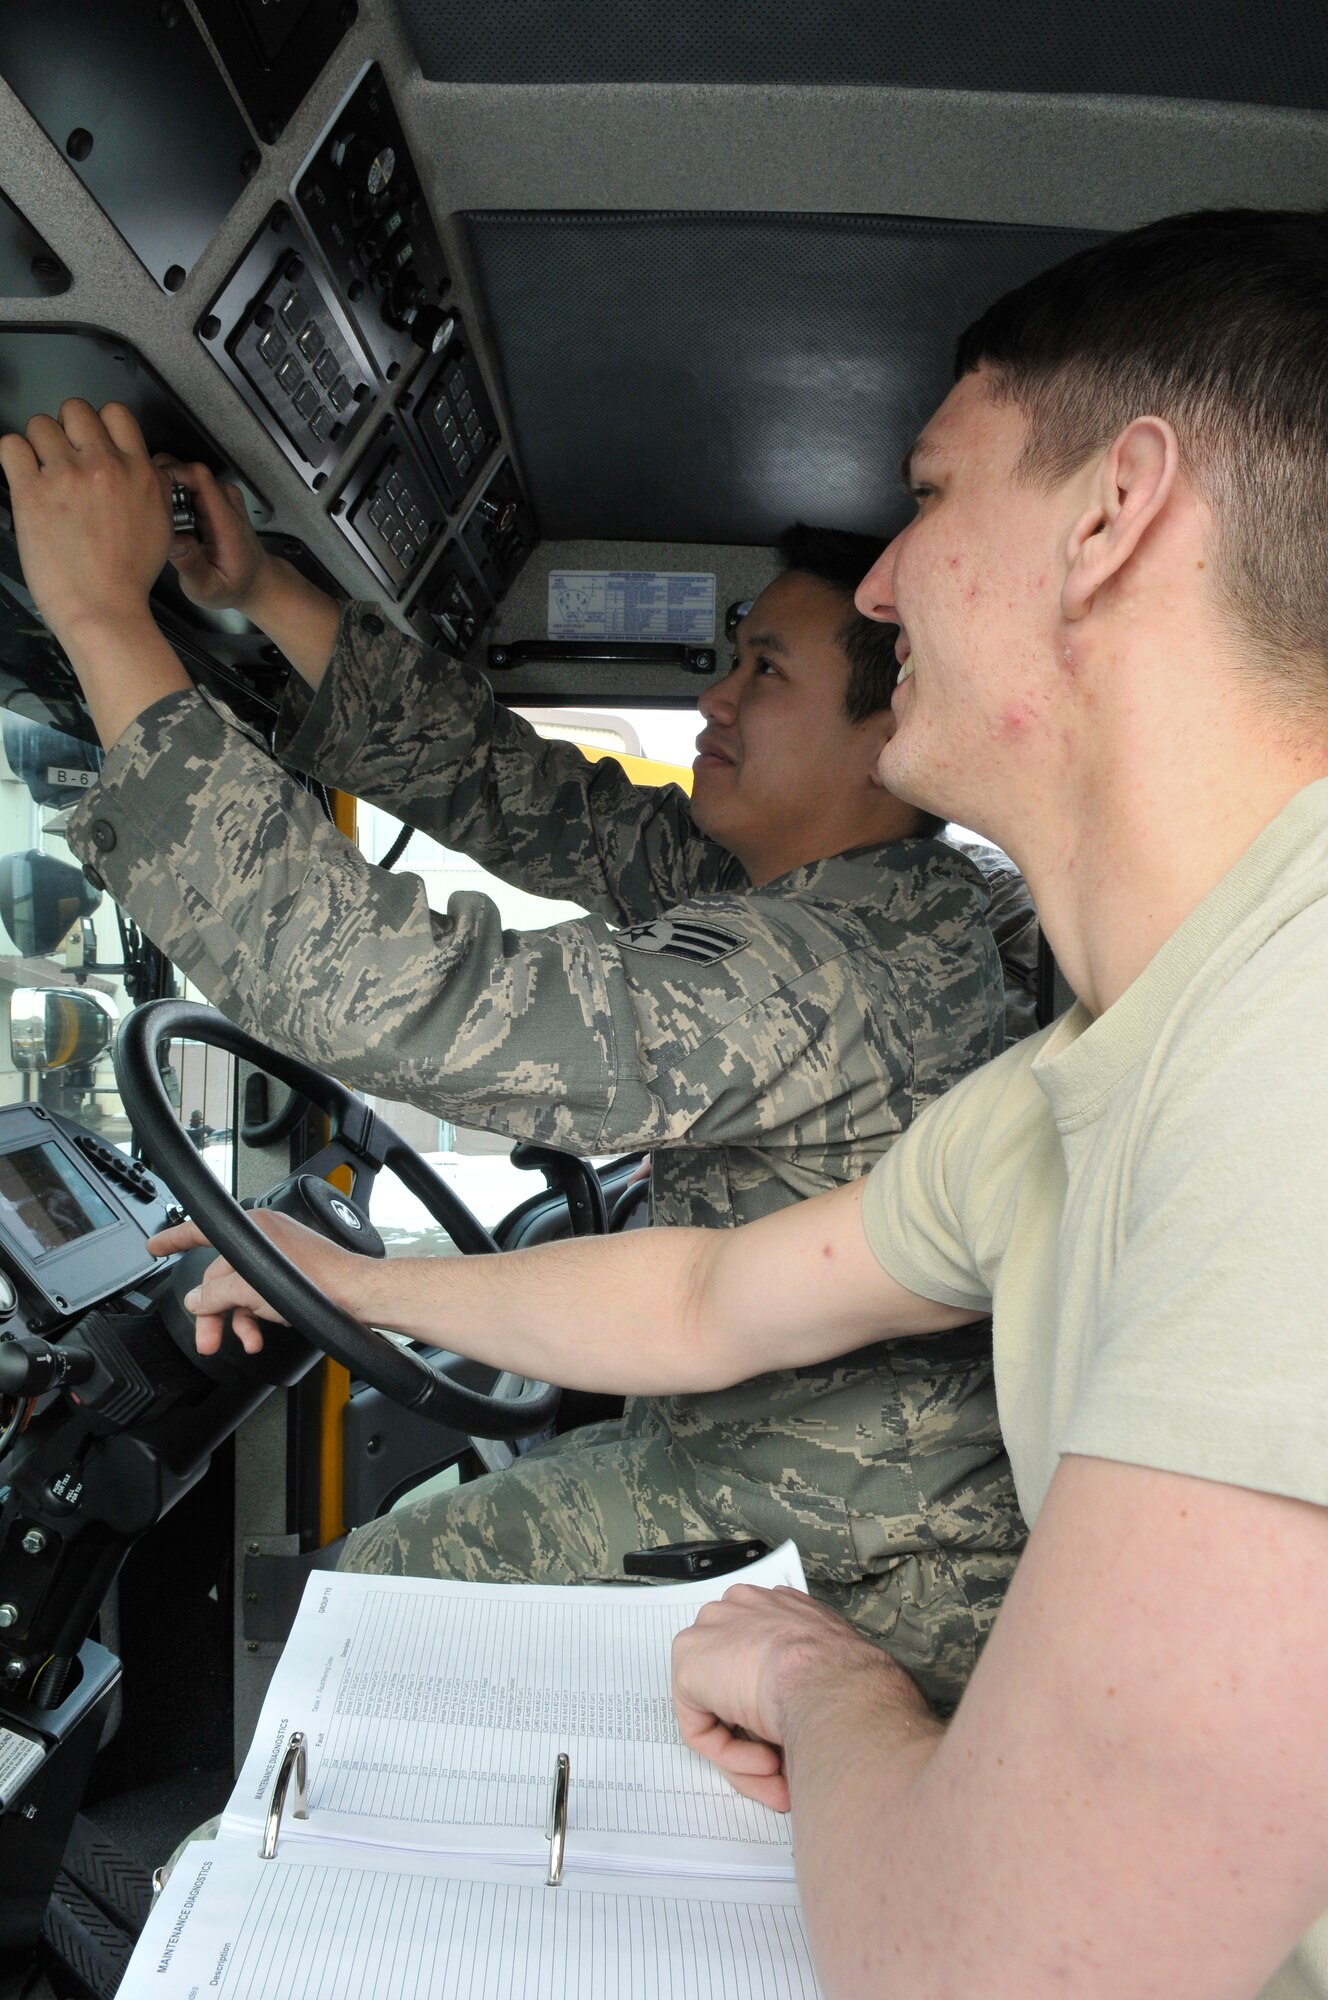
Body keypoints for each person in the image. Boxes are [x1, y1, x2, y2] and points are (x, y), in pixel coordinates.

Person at [144, 204, 1328, 1998]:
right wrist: (353, 1281)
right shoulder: (1099, 1061)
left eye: (930, 498)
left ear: (1110, 512)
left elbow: (994, 1968)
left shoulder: (1280, 1056)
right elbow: (704, 1293)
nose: (881, 576)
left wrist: (102, 624)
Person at [0, 417, 1036, 1704]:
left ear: (887, 729)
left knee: (364, 1608)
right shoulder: (869, 885)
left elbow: (405, 999)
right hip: (776, 1464)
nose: (714, 697)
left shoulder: (820, 965)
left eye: (763, 671)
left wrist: (103, 621)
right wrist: (261, 589)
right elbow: (529, 796)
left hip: (853, 1551)